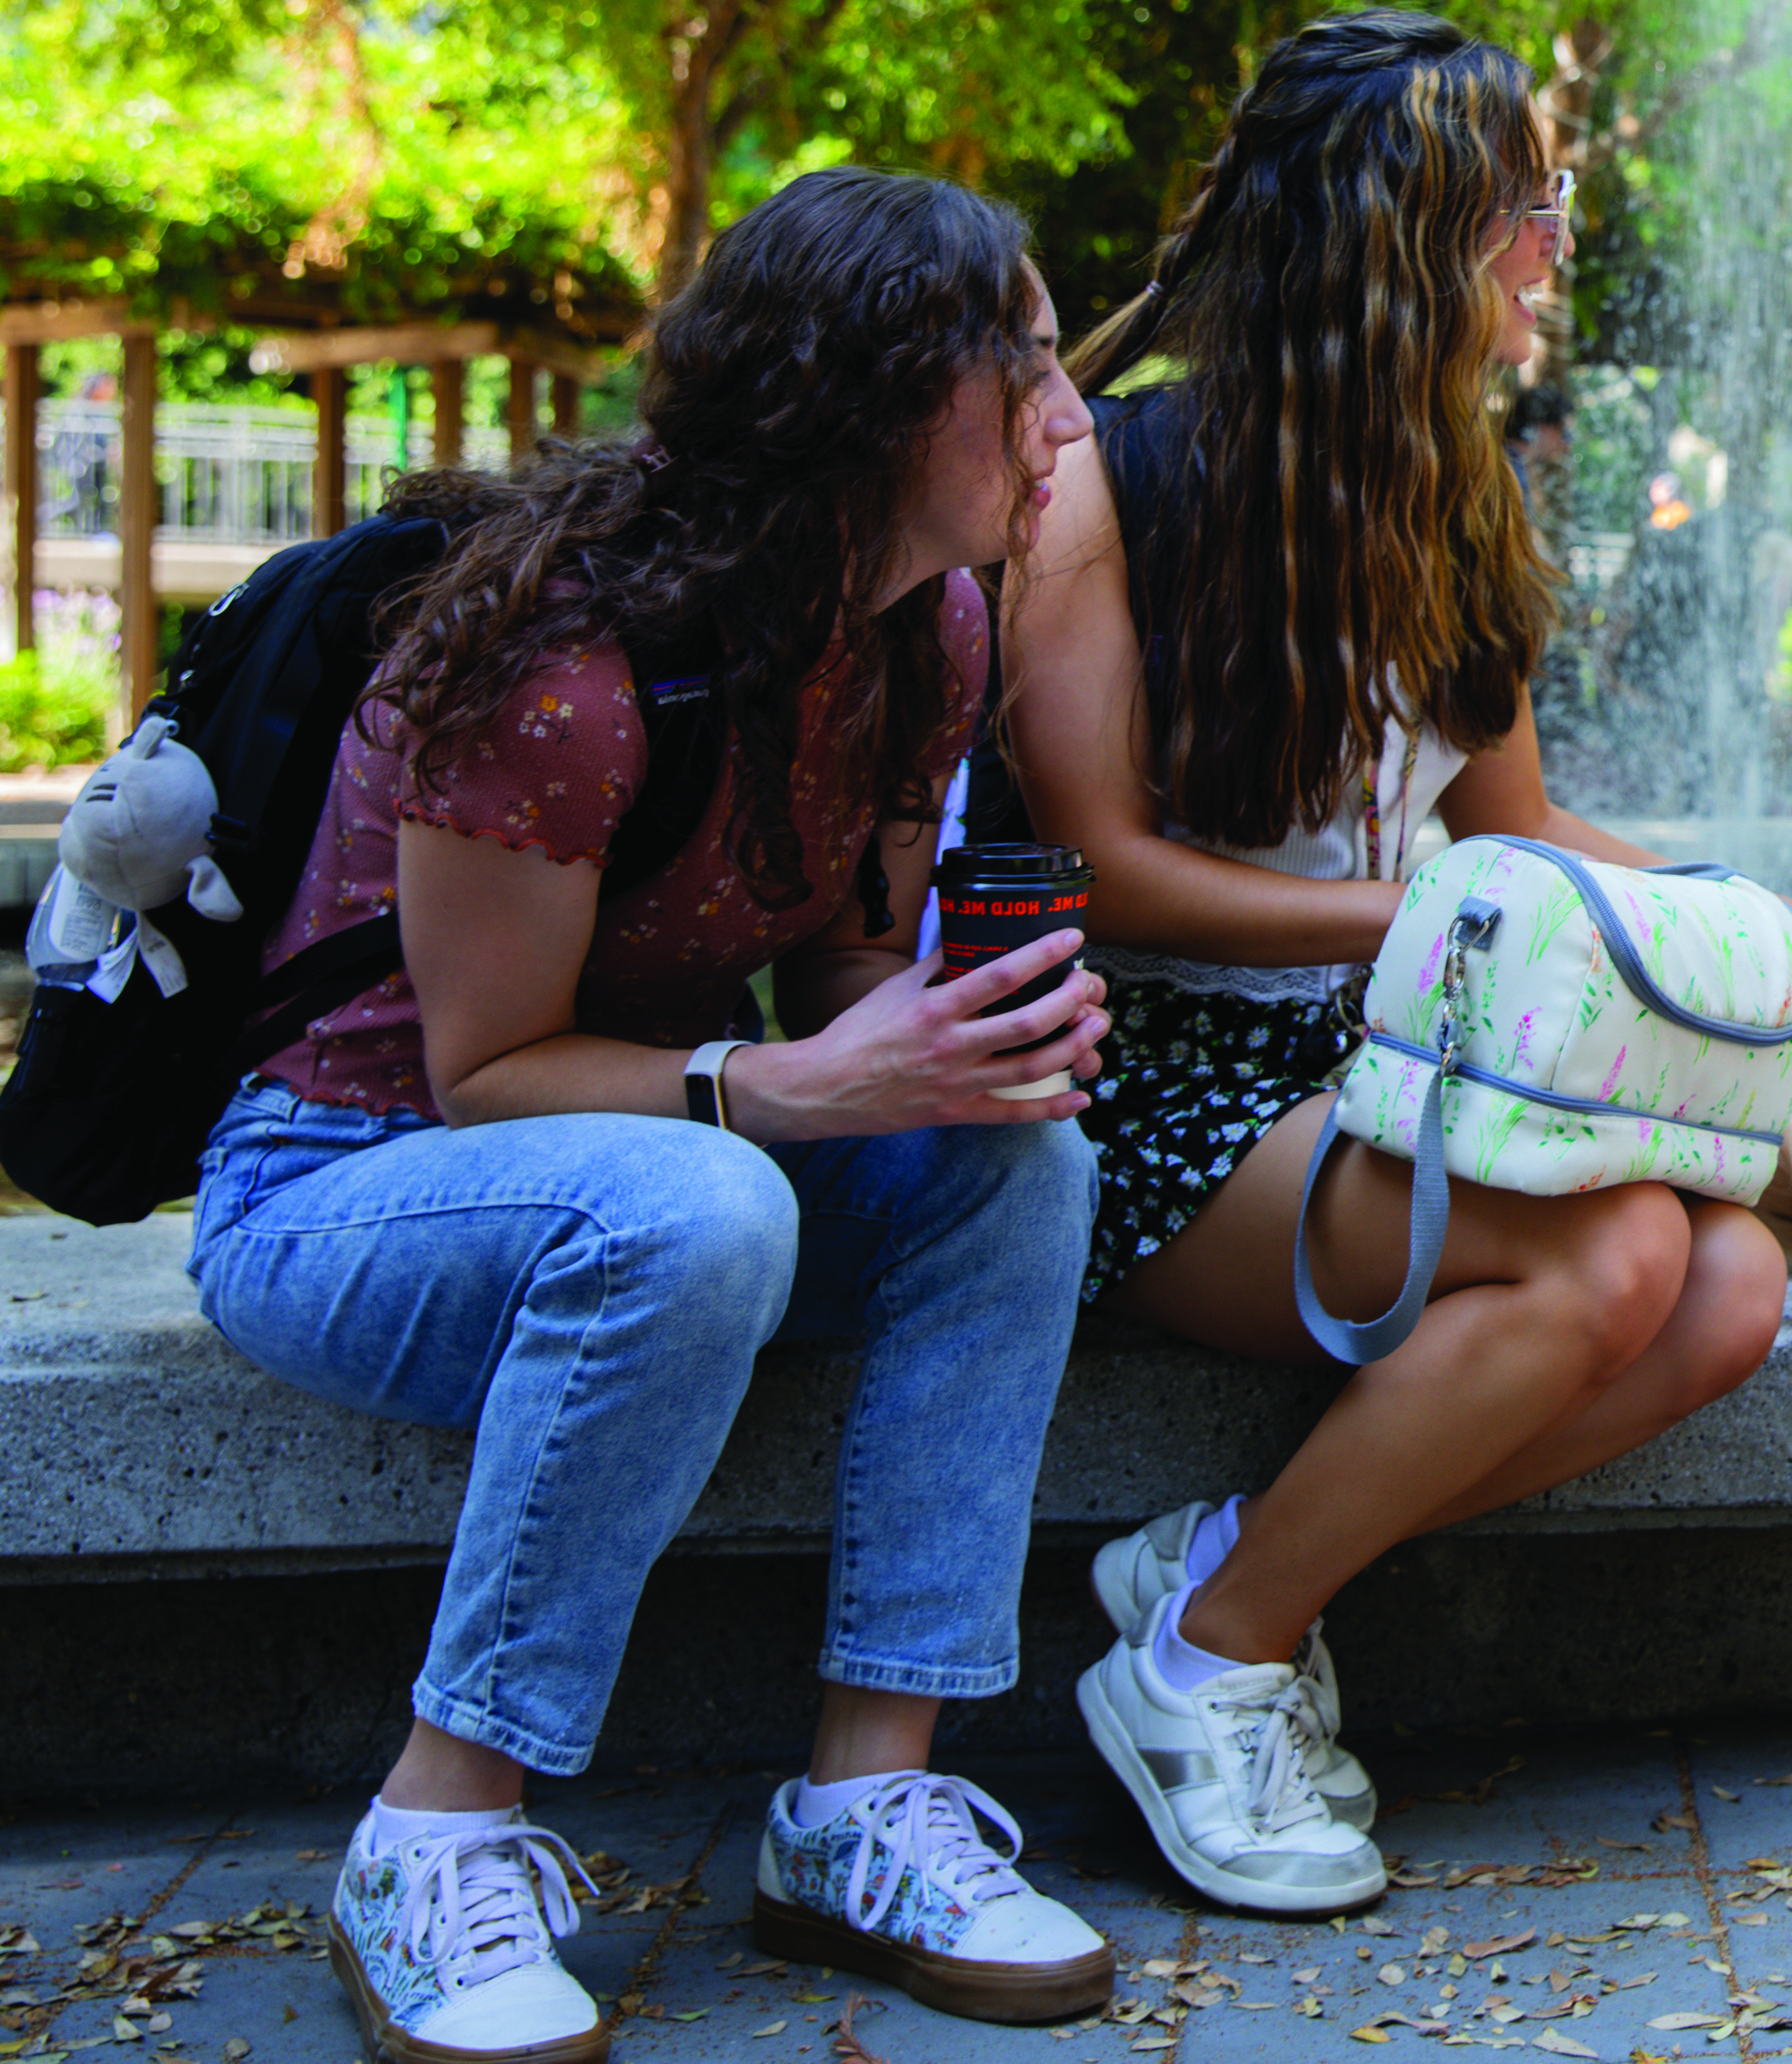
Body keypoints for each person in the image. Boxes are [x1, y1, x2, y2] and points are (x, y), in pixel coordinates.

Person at [1001, 11, 1792, 1915]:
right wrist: (1420, 919)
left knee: (1731, 1276)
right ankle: (1202, 1664)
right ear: (1406, 236)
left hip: (1385, 1055)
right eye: (1528, 205)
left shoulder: (1448, 496)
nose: (1553, 243)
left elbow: (1516, 834)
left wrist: (1737, 908)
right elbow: (1101, 868)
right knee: (1619, 1248)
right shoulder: (1108, 479)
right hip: (1152, 1088)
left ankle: (1227, 1558)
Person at [191, 169, 1120, 2063]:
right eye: (1019, 358)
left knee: (1019, 1165)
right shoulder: (559, 660)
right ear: (864, 397)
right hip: (351, 1186)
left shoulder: (923, 633)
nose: (1069, 411)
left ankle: (862, 1806)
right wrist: (788, 1086)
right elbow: (485, 1075)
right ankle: (434, 1825)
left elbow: (850, 983)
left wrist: (953, 1040)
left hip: (666, 1160)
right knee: (701, 1208)